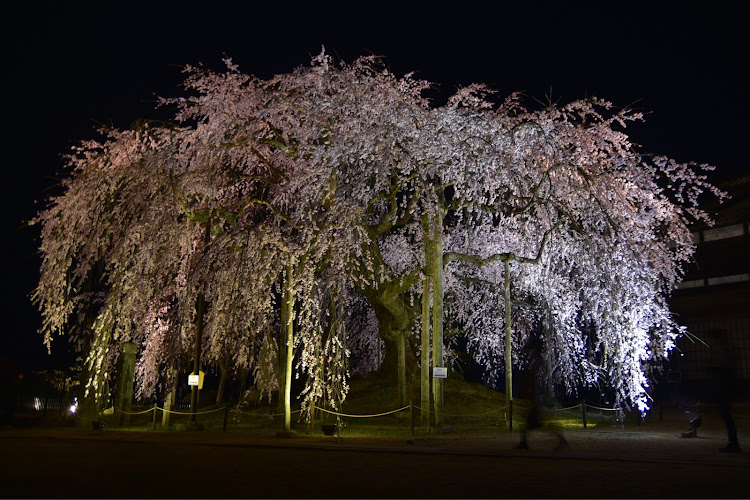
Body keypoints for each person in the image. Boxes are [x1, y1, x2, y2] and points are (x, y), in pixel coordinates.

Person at [516, 336, 568, 451]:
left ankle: (561, 440)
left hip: (536, 401)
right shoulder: (535, 361)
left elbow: (534, 380)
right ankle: (524, 442)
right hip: (536, 400)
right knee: (535, 425)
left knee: (537, 425)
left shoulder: (536, 362)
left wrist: (531, 394)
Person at [708, 330, 741, 453]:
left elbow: (722, 367)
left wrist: (712, 368)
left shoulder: (723, 351)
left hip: (724, 386)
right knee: (726, 415)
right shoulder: (726, 349)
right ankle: (733, 442)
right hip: (726, 385)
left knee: (726, 415)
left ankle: (734, 443)